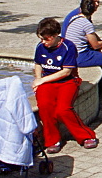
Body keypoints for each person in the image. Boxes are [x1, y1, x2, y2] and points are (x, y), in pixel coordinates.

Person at [33, 17, 97, 152]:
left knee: (63, 109)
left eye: (46, 39)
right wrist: (38, 80)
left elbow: (66, 72)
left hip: (67, 82)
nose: (43, 42)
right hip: (47, 82)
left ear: (56, 35)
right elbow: (38, 64)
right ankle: (53, 140)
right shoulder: (40, 47)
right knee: (44, 106)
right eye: (41, 39)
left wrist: (42, 80)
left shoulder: (68, 47)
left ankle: (86, 136)